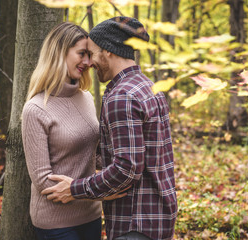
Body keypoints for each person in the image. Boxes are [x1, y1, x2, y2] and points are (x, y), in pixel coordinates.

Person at [41, 17, 178, 240]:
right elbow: (141, 156)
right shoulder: (149, 87)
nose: (90, 62)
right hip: (158, 218)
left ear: (109, 51)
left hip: (135, 223)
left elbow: (126, 168)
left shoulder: (121, 97)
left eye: (93, 53)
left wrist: (75, 189)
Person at [22, 22, 125, 240]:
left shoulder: (86, 97)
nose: (88, 62)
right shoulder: (36, 108)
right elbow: (43, 181)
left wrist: (123, 168)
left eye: (90, 55)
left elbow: (94, 154)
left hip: (91, 214)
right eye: (82, 54)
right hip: (56, 222)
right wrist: (101, 194)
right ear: (59, 53)